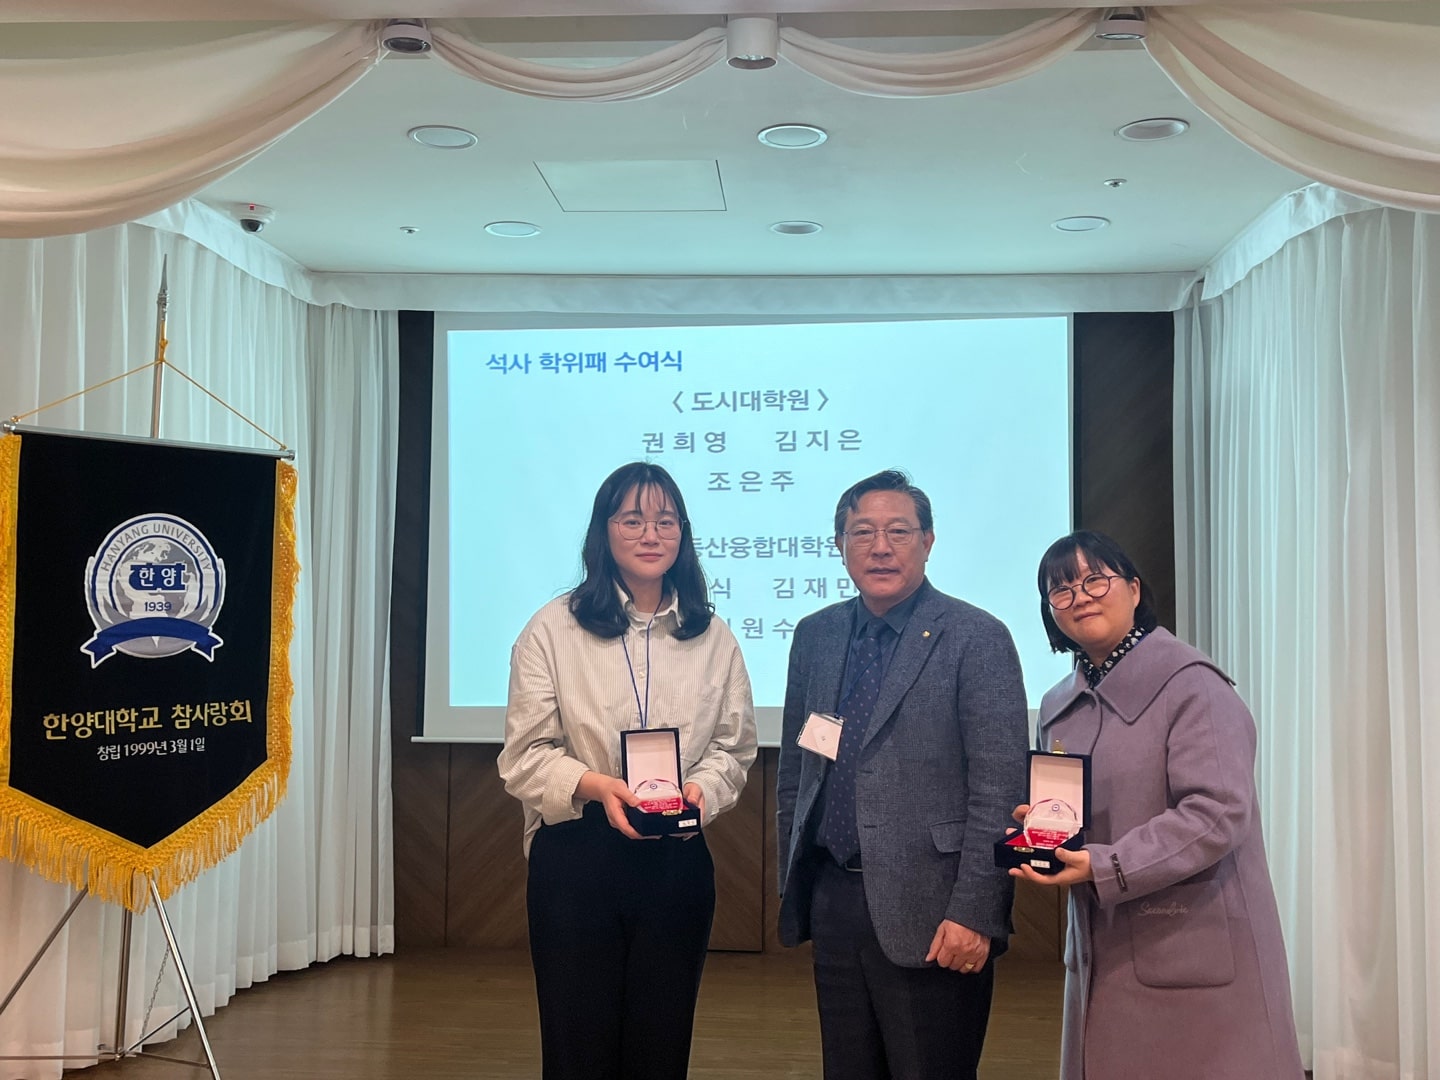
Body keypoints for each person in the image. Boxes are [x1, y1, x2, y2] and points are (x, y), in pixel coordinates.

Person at [1013, 529, 1304, 1080]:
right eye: (1062, 590)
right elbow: (1075, 813)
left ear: (1134, 589)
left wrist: (1106, 863)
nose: (1080, 597)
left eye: (1095, 580)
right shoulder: (1057, 706)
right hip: (1102, 946)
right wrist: (1044, 831)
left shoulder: (1193, 686)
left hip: (1193, 946)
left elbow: (1218, 812)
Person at [498, 462, 757, 1080]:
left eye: (665, 521)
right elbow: (524, 756)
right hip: (577, 854)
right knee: (576, 1046)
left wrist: (702, 789)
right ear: (604, 530)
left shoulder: (713, 636)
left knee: (660, 1046)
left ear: (682, 533)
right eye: (632, 519)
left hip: (677, 855)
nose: (650, 534)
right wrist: (597, 786)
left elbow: (734, 748)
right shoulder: (552, 629)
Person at [776, 469, 1029, 1080]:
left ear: (928, 541)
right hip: (834, 897)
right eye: (862, 532)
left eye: (898, 531)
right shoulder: (816, 635)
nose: (880, 547)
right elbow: (797, 768)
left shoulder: (976, 637)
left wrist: (976, 913)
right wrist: (797, 872)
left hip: (935, 908)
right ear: (840, 544)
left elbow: (1000, 789)